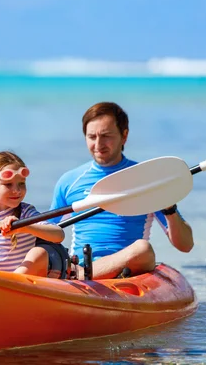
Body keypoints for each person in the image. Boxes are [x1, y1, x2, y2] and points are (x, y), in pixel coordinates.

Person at [50, 102, 194, 279]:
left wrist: (169, 208)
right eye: (92, 137)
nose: (98, 144)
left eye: (106, 136)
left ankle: (85, 275)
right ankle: (84, 274)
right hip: (80, 264)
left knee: (143, 248)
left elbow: (185, 245)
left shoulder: (146, 180)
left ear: (124, 136)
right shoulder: (69, 181)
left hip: (128, 270)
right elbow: (48, 230)